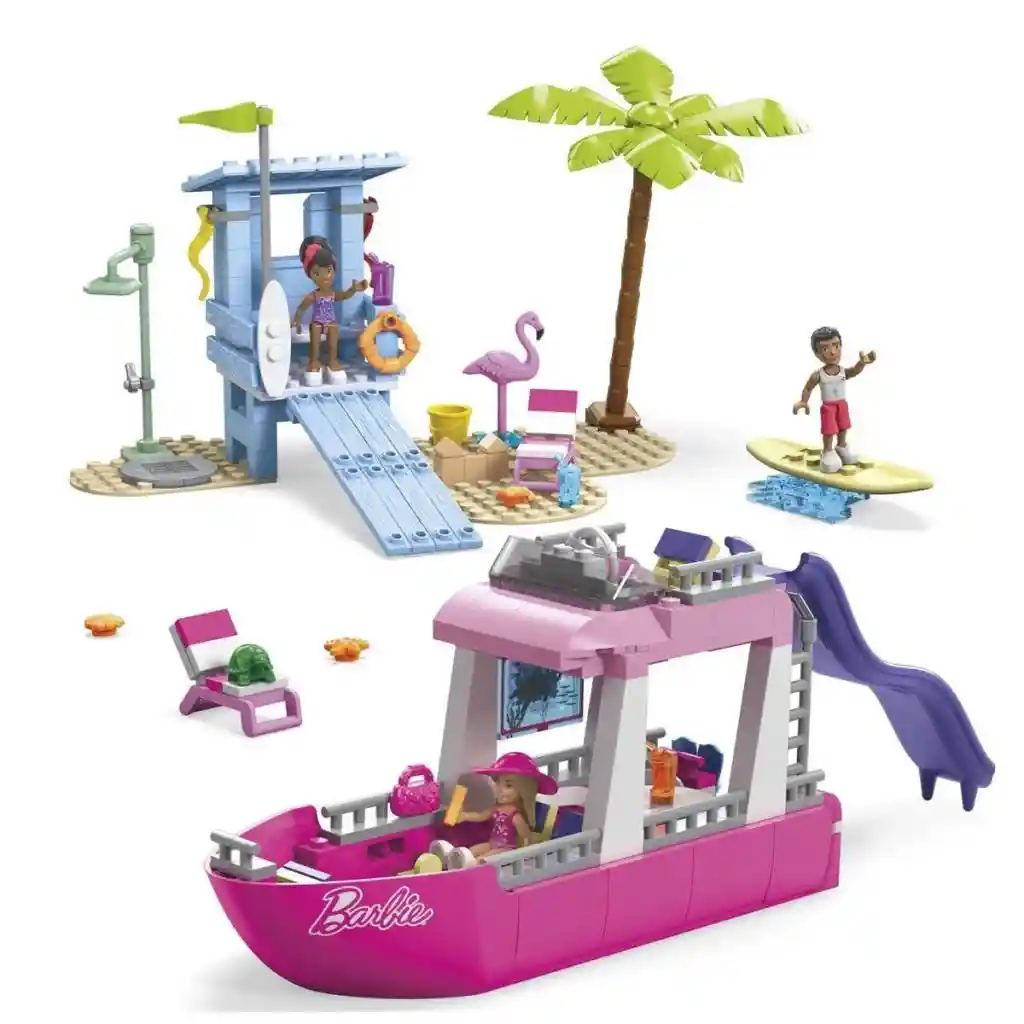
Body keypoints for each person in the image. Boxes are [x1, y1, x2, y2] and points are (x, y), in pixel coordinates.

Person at [429, 752, 559, 870]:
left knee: (482, 860)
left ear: (523, 791)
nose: (500, 789)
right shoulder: (497, 809)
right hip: (492, 844)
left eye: (508, 786)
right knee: (472, 850)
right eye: (498, 783)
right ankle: (450, 858)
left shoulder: (515, 816)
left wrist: (526, 853)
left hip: (506, 849)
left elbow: (526, 836)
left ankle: (466, 866)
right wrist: (465, 816)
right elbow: (481, 816)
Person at [792, 326, 876, 473]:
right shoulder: (818, 375)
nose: (832, 352)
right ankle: (828, 451)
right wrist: (803, 401)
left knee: (843, 427)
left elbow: (854, 371)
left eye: (836, 346)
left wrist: (862, 362)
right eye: (826, 349)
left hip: (842, 404)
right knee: (829, 430)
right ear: (817, 353)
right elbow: (808, 388)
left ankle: (842, 447)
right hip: (828, 407)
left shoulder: (842, 371)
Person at [291, 235, 368, 382]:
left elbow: (344, 295)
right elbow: (301, 308)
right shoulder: (314, 296)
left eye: (329, 271)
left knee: (333, 335)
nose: (325, 277)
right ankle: (314, 361)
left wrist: (354, 289)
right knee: (315, 338)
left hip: (330, 322)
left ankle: (332, 360)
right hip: (317, 322)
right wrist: (297, 321)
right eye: (317, 273)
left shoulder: (332, 294)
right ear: (311, 275)